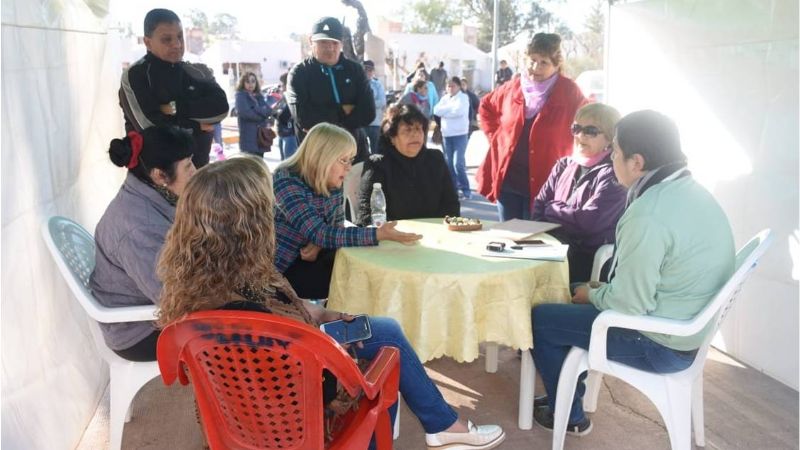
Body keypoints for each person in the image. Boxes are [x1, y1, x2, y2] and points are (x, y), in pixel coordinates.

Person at [155, 156, 504, 450]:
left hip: (234, 417)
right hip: (299, 417)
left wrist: (317, 311)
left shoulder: (197, 280)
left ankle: (442, 424)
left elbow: (276, 317)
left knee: (382, 329)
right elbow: (313, 370)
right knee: (385, 358)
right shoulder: (255, 286)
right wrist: (336, 344)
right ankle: (440, 426)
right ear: (254, 222)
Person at [530, 110, 735, 436]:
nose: (611, 159)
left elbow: (627, 304)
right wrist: (598, 290)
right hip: (686, 331)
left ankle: (568, 414)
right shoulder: (693, 192)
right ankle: (567, 389)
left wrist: (593, 293)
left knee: (542, 318)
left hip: (658, 342)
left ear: (636, 162)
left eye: (615, 152)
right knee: (572, 298)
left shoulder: (648, 212)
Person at [273, 123, 422, 300]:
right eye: (344, 160)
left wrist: (319, 244)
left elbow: (335, 227)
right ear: (322, 157)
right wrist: (378, 235)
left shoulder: (330, 179)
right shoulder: (286, 181)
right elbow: (320, 232)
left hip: (312, 259)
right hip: (280, 271)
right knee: (355, 283)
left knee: (363, 271)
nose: (349, 168)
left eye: (351, 160)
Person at [89, 126, 196, 361]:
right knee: (236, 333)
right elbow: (173, 298)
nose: (195, 172)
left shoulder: (150, 195)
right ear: (159, 175)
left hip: (150, 308)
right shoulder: (139, 227)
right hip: (139, 333)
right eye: (188, 166)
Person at [476, 33, 586, 221]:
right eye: (533, 60)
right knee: (509, 238)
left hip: (545, 184)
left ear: (556, 65)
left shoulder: (569, 92)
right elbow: (486, 106)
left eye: (544, 62)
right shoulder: (513, 87)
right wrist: (497, 138)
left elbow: (588, 121)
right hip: (508, 182)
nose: (536, 68)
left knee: (534, 242)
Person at [119, 8, 228, 168]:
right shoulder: (136, 75)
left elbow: (220, 109)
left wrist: (175, 108)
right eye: (166, 39)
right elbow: (150, 129)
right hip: (156, 180)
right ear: (148, 42)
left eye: (179, 37)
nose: (177, 44)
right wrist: (197, 126)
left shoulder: (196, 70)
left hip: (198, 174)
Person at [532, 103, 627, 283]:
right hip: (552, 245)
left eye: (590, 131)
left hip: (585, 257)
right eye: (576, 128)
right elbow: (538, 207)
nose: (580, 135)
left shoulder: (613, 172)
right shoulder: (564, 165)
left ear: (610, 138)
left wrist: (552, 209)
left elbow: (589, 222)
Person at [286, 16, 375, 163]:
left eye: (334, 42)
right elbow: (305, 119)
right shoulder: (299, 73)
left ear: (341, 43)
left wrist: (325, 113)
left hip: (354, 157)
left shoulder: (355, 70)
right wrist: (343, 111)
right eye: (323, 42)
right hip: (317, 159)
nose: (330, 48)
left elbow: (368, 113)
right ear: (311, 42)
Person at [357, 103, 460, 225]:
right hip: (393, 237)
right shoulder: (377, 165)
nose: (415, 134)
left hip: (436, 234)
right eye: (408, 130)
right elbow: (366, 215)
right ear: (392, 137)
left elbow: (451, 204)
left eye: (418, 129)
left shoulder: (436, 159)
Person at [434, 76, 472, 200]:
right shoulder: (445, 98)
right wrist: (447, 110)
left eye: (453, 86)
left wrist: (445, 112)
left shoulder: (463, 97)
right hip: (446, 134)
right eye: (448, 86)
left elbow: (458, 112)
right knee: (449, 164)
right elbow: (436, 110)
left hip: (460, 134)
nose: (450, 88)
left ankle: (466, 190)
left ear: (459, 86)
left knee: (458, 163)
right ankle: (453, 190)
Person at [234, 72, 272, 157]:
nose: (251, 84)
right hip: (248, 138)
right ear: (243, 83)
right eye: (247, 81)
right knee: (250, 167)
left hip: (260, 137)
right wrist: (262, 115)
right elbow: (246, 113)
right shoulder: (240, 96)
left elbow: (268, 110)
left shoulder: (259, 95)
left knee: (259, 164)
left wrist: (255, 108)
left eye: (253, 81)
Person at [362, 60, 386, 154]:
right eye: (366, 69)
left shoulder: (378, 85)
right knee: (362, 150)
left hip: (375, 122)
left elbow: (382, 102)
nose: (368, 72)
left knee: (376, 151)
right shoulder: (357, 84)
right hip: (361, 123)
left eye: (370, 70)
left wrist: (367, 103)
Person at [275, 72, 298, 160]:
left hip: (290, 135)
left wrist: (275, 112)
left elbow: (284, 116)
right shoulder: (283, 97)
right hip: (283, 134)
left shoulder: (291, 97)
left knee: (288, 163)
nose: (280, 87)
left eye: (281, 84)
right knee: (284, 162)